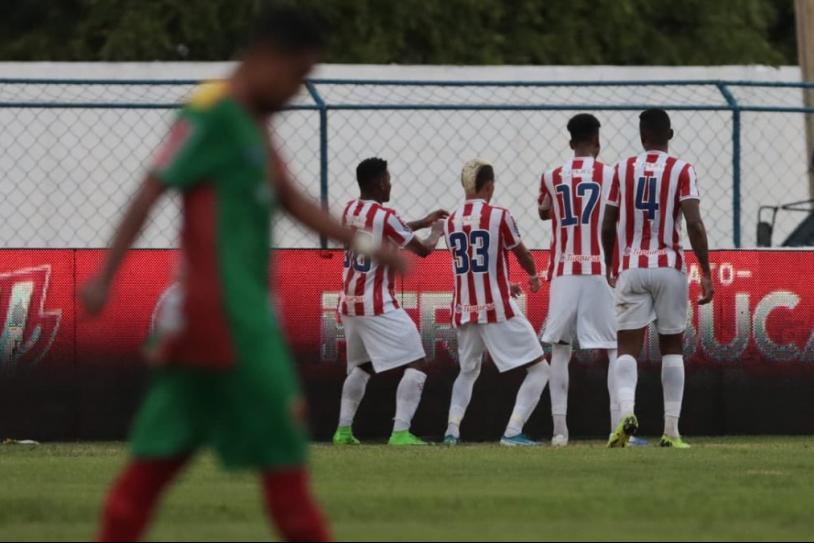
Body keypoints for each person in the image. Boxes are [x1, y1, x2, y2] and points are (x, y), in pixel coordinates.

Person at [80, 8, 401, 541]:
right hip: (233, 322)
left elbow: (292, 200)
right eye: (299, 76)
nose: (299, 91)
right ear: (267, 56)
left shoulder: (251, 122)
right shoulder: (213, 111)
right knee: (287, 476)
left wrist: (369, 244)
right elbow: (151, 187)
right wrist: (106, 275)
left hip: (207, 324)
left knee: (151, 470)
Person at [601, 108, 714, 449]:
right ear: (671, 135)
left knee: (626, 349)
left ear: (642, 136)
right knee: (671, 347)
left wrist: (611, 264)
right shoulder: (682, 169)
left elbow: (607, 226)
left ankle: (626, 413)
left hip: (632, 267)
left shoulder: (622, 169)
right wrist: (706, 271)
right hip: (669, 267)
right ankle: (672, 431)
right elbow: (693, 223)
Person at [333, 157, 447, 446]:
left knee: (361, 367)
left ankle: (343, 431)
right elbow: (422, 250)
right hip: (377, 304)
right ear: (376, 182)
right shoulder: (386, 216)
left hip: (348, 303)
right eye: (387, 180)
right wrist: (435, 232)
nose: (390, 185)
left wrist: (422, 220)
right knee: (417, 362)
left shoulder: (349, 210)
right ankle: (400, 432)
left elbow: (383, 230)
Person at [442, 159, 551, 446]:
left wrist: (506, 283)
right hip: (496, 307)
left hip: (464, 308)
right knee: (540, 368)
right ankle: (513, 432)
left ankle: (452, 431)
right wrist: (533, 277)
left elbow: (474, 267)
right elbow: (522, 254)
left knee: (467, 372)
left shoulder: (450, 220)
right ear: (489, 186)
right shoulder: (499, 215)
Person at [538, 114, 619, 447]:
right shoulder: (611, 174)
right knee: (615, 348)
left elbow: (544, 211)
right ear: (597, 141)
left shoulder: (551, 175)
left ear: (570, 142)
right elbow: (618, 217)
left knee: (560, 348)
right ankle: (618, 428)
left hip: (564, 269)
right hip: (600, 268)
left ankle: (560, 430)